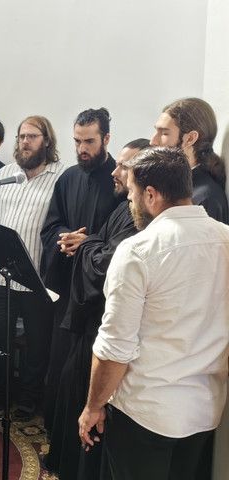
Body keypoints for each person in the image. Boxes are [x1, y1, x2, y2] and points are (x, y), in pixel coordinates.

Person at [78, 147, 229, 480]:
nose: (130, 201)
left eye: (132, 193)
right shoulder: (225, 238)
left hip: (146, 413)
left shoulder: (138, 251)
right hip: (204, 410)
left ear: (151, 194)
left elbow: (115, 349)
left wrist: (93, 406)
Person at [45, 138, 149, 479]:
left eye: (124, 167)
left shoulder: (140, 217)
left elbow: (108, 263)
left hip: (102, 322)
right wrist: (81, 241)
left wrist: (87, 243)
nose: (115, 173)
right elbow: (101, 246)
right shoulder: (124, 205)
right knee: (66, 386)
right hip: (87, 319)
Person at [40, 107, 122, 433]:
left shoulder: (120, 180)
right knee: (59, 364)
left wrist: (88, 243)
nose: (82, 148)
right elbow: (50, 226)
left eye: (89, 141)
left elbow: (124, 236)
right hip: (67, 288)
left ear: (106, 138)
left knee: (86, 370)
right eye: (77, 141)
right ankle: (57, 433)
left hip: (98, 297)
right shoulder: (68, 178)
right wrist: (64, 239)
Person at [0, 115, 63, 418]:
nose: (25, 142)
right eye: (21, 136)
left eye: (32, 137)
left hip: (38, 279)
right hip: (3, 276)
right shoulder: (5, 174)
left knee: (37, 346)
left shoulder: (61, 176)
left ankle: (28, 401)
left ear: (46, 141)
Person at [151, 97, 228, 223]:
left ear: (190, 138)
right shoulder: (176, 185)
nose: (153, 141)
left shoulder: (206, 199)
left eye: (164, 133)